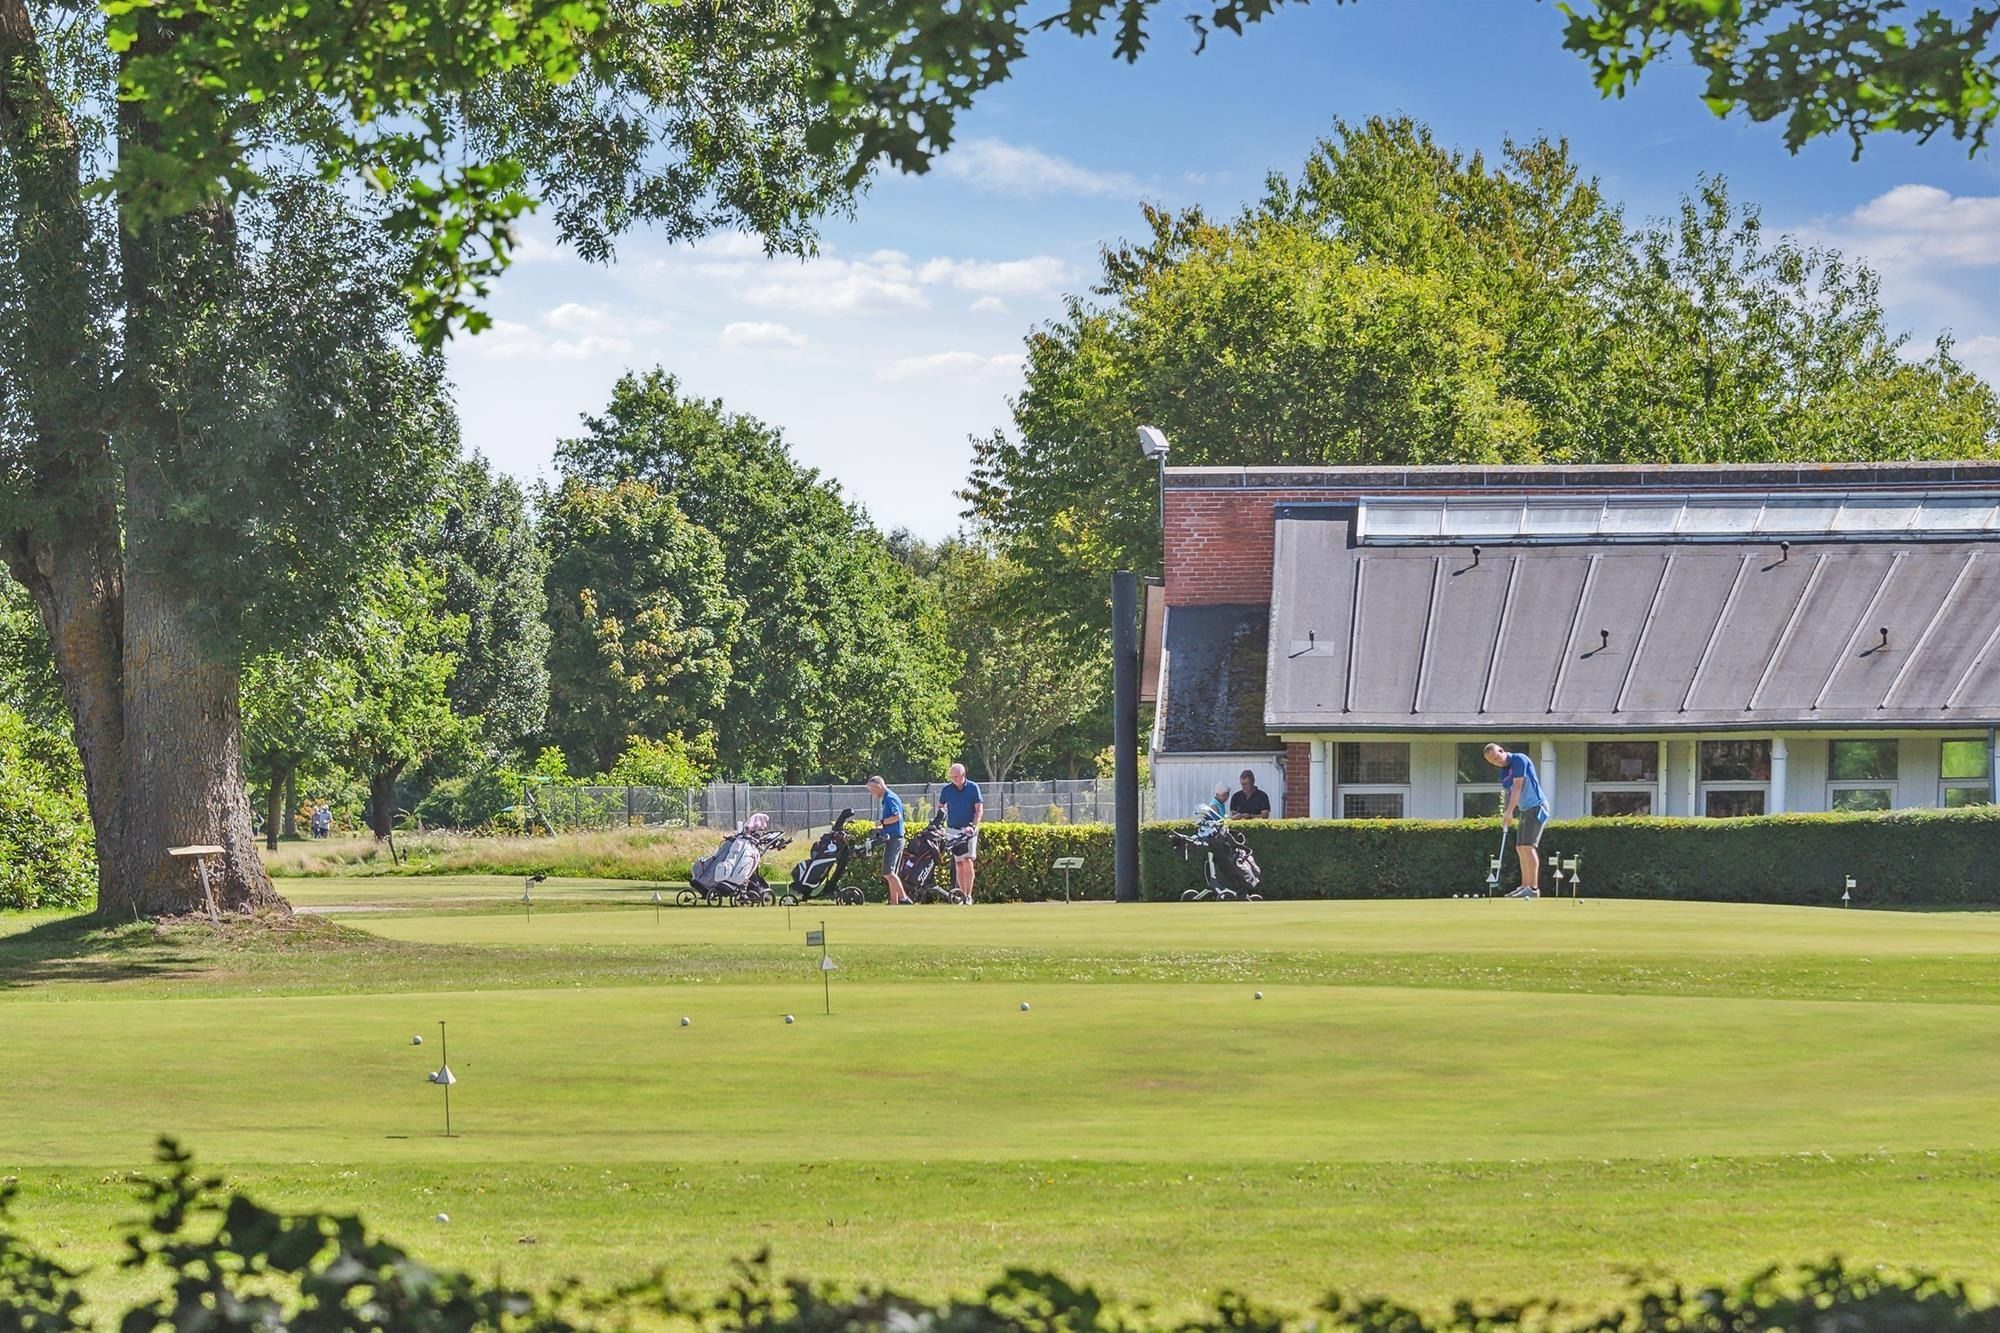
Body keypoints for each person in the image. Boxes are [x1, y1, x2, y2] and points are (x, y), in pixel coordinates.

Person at [1483, 742, 1546, 898]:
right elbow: (1509, 793)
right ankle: (1524, 886)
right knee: (1520, 847)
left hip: (1537, 806)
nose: (1496, 762)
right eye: (1492, 761)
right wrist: (1506, 813)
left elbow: (1518, 786)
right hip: (1525, 809)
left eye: (1496, 757)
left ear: (1501, 750)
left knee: (1528, 846)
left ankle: (1533, 888)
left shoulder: (1519, 759)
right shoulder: (1504, 772)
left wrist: (1510, 812)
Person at [937, 763, 983, 903]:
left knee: (968, 860)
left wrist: (972, 826)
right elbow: (941, 808)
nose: (954, 779)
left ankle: (969, 895)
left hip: (968, 830)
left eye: (956, 776)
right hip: (953, 829)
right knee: (959, 863)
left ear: (963, 775)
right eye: (952, 777)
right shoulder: (947, 790)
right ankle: (962, 895)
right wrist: (939, 825)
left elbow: (979, 810)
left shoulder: (973, 787)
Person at [867, 775, 907, 904]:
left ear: (878, 786)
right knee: (891, 873)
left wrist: (882, 822)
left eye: (872, 789)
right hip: (895, 838)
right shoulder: (888, 798)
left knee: (888, 872)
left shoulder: (890, 798)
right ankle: (894, 902)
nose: (871, 793)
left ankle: (904, 899)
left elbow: (897, 816)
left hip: (895, 839)